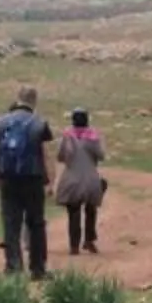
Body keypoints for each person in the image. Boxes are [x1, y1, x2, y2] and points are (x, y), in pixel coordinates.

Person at [0, 84, 54, 278]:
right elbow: (46, 154)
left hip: (8, 179)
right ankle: (38, 269)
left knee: (11, 223)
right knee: (36, 224)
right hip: (33, 179)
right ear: (34, 101)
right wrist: (50, 182)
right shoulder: (40, 123)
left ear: (17, 99)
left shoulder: (0, 122)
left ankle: (13, 267)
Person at [53, 108, 107, 256]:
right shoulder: (93, 136)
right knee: (91, 210)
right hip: (91, 179)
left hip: (71, 179)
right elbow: (101, 156)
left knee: (73, 213)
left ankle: (74, 246)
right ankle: (89, 240)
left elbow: (59, 157)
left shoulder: (67, 136)